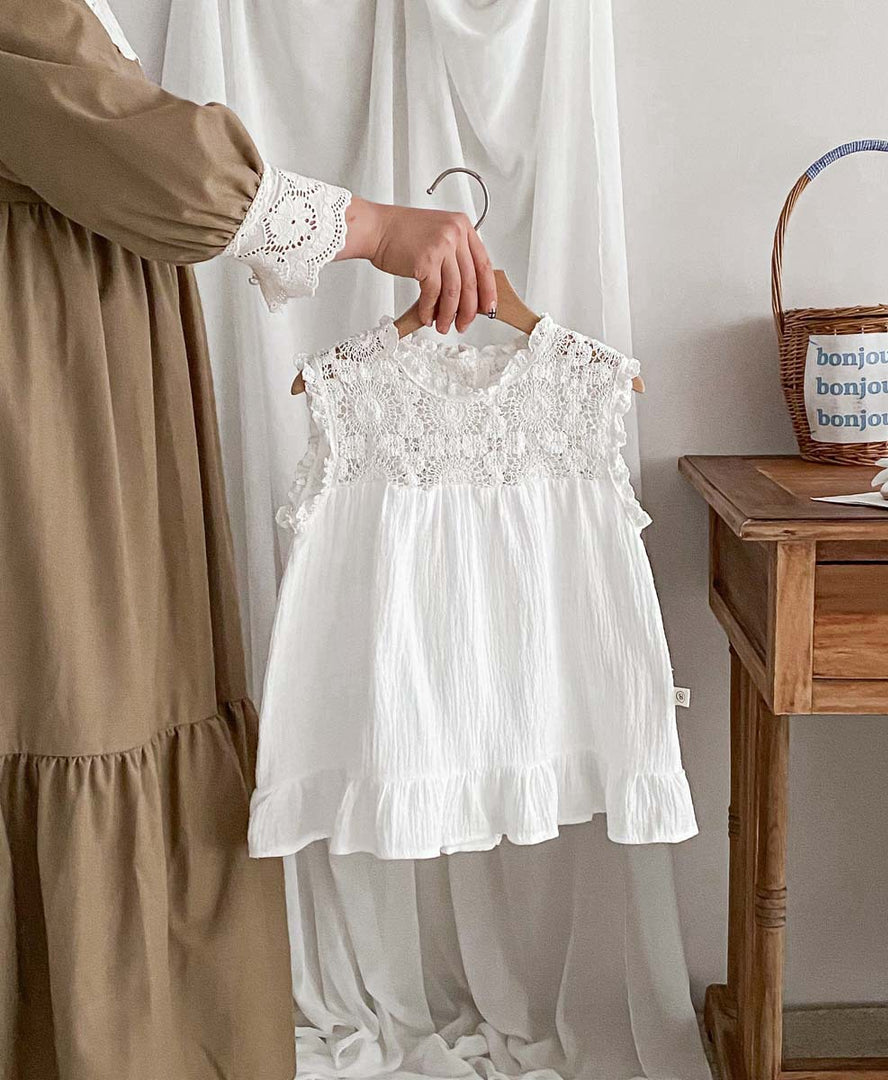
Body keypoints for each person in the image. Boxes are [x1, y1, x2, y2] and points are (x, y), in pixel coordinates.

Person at [0, 2, 496, 1077]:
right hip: (50, 382)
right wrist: (374, 227)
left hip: (84, 363)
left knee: (115, 684)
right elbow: (140, 152)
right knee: (82, 690)